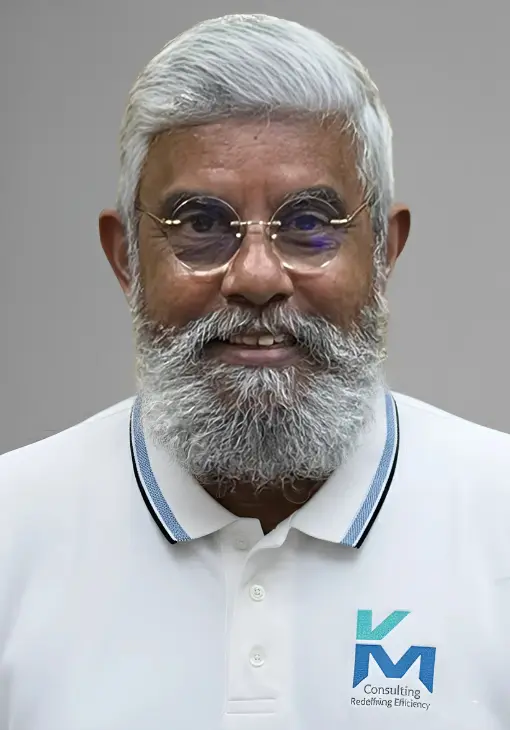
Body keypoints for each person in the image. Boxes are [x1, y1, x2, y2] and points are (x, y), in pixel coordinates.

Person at [0, 12, 509, 730]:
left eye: (310, 224)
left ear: (384, 254)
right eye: (201, 225)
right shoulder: (12, 529)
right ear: (126, 260)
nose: (258, 277)